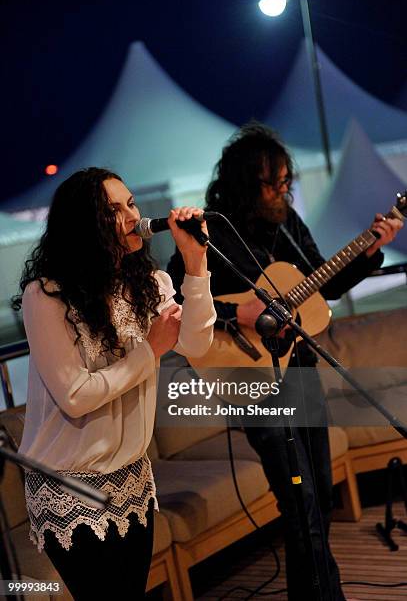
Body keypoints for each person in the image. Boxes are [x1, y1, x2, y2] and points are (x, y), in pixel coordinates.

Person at [167, 122, 403, 600]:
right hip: (251, 380)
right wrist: (238, 312)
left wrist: (370, 252)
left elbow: (324, 286)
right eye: (274, 183)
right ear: (245, 182)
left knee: (316, 495)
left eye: (285, 181)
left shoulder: (288, 224)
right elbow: (177, 298)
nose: (283, 190)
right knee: (301, 505)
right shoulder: (210, 232)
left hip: (299, 373)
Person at [13, 167, 216, 600]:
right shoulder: (46, 295)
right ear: (85, 225)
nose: (130, 216)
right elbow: (74, 396)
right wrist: (151, 351)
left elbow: (198, 344)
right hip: (68, 483)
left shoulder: (150, 283)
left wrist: (196, 265)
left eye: (131, 204)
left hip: (132, 477)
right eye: (112, 210)